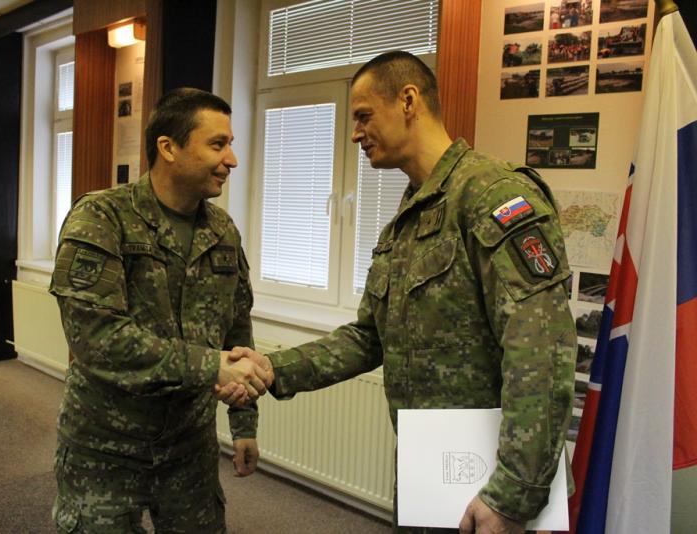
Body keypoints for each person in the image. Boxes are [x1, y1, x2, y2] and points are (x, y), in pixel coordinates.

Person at [224, 51, 576, 533]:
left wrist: (514, 494)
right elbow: (368, 337)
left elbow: (541, 351)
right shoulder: (408, 218)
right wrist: (273, 369)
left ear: (408, 101)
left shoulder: (492, 196)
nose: (355, 133)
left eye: (363, 116)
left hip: (496, 482)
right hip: (430, 464)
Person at [50, 88, 271, 533]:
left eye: (230, 144)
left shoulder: (222, 230)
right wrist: (211, 366)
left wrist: (244, 423)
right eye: (217, 144)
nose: (231, 160)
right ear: (168, 147)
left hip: (189, 448)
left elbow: (237, 329)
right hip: (107, 450)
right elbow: (97, 339)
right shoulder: (102, 217)